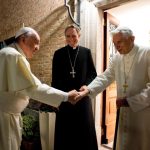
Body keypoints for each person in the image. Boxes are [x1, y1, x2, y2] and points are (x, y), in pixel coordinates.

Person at [0, 27, 78, 150]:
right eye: (36, 42)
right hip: (5, 119)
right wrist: (66, 96)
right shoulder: (13, 56)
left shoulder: (5, 53)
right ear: (23, 39)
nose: (37, 47)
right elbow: (33, 88)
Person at [77, 26, 150, 150]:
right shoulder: (116, 58)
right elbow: (106, 76)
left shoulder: (147, 53)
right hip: (123, 111)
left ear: (132, 39)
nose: (117, 47)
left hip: (142, 113)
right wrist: (89, 89)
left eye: (119, 42)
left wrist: (130, 101)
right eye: (114, 43)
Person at [52, 24, 98, 150]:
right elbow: (55, 79)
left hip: (82, 98)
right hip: (66, 99)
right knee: (66, 134)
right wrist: (59, 98)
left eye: (74, 36)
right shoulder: (58, 54)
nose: (71, 39)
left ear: (79, 36)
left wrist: (86, 86)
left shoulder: (86, 52)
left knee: (84, 132)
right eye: (68, 36)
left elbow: (93, 74)